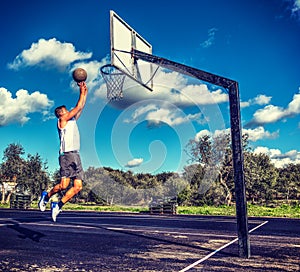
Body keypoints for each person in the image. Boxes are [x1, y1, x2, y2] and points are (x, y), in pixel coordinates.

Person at [39, 81, 88, 222]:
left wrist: (84, 92)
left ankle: (58, 205)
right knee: (63, 186)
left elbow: (81, 107)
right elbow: (78, 106)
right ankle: (46, 196)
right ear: (61, 114)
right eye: (66, 111)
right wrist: (81, 92)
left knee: (78, 187)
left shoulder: (71, 120)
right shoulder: (62, 119)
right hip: (66, 156)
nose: (69, 112)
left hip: (76, 155)